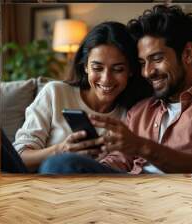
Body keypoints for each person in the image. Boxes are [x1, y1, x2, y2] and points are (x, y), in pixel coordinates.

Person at [39, 5, 192, 174]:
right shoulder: (141, 108)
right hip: (125, 191)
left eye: (157, 58)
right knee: (61, 163)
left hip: (175, 195)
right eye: (141, 63)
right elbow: (118, 160)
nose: (147, 72)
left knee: (60, 163)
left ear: (188, 54)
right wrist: (92, 166)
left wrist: (143, 147)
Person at [12, 21, 152, 172]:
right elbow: (18, 158)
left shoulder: (133, 114)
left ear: (131, 70)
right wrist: (59, 150)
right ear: (85, 66)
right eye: (97, 68)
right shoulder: (55, 92)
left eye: (118, 69)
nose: (106, 79)